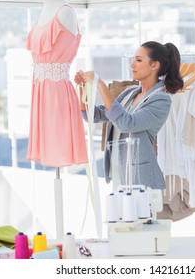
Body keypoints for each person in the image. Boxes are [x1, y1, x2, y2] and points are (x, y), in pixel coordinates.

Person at [74, 41, 184, 190]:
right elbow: (94, 116)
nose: (132, 65)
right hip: (119, 174)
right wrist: (83, 88)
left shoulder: (161, 100)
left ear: (154, 65)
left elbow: (127, 124)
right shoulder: (130, 92)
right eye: (133, 59)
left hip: (141, 180)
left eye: (138, 60)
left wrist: (100, 84)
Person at [26, 0, 88, 167]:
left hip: (56, 93)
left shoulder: (65, 12)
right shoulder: (45, 10)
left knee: (58, 145)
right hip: (39, 91)